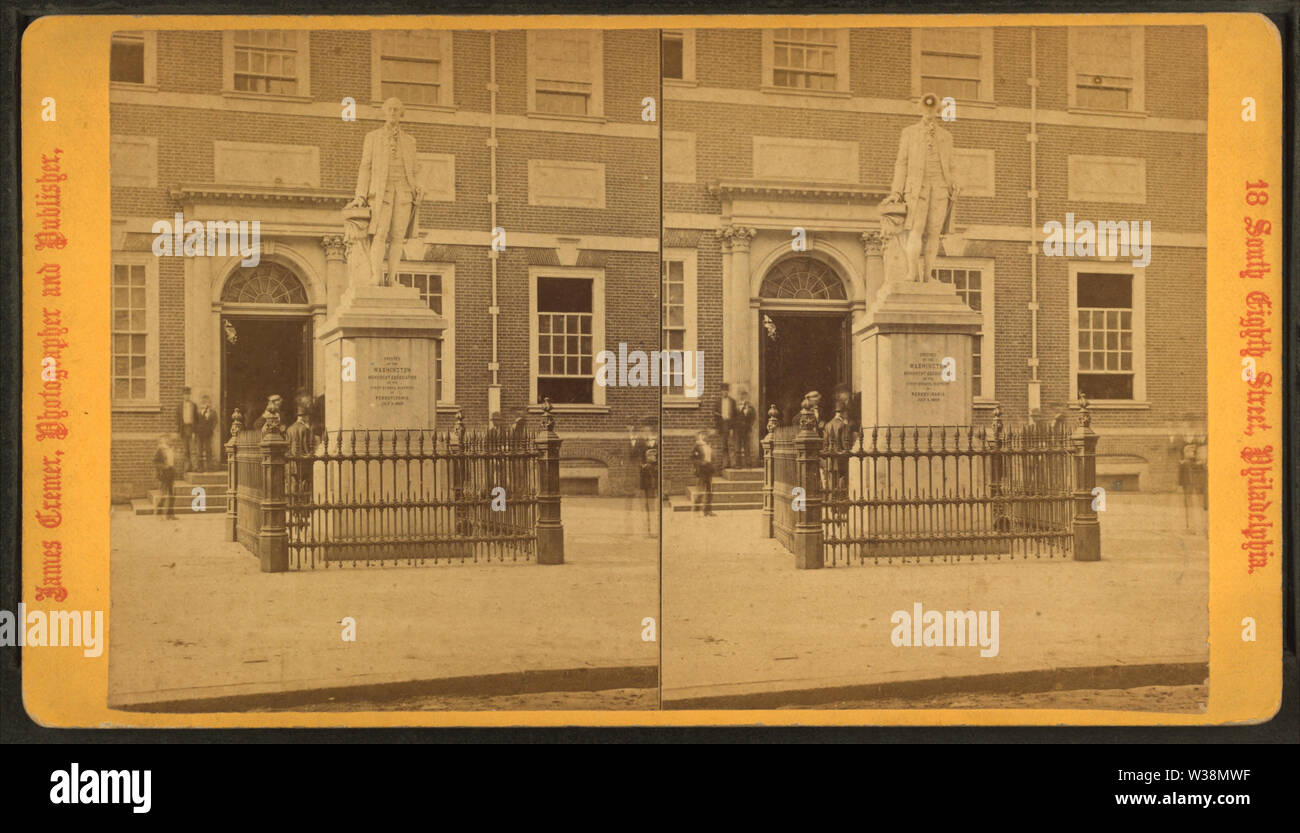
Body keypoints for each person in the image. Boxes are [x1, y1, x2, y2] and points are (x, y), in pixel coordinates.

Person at [347, 97, 422, 287]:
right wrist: (360, 195)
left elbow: (414, 170)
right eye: (389, 109)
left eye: (396, 109)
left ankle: (392, 278)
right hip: (381, 194)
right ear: (384, 111)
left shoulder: (410, 141)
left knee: (398, 237)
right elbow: (365, 167)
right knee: (379, 235)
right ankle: (376, 276)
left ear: (401, 113)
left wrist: (418, 186)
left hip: (404, 193)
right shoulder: (372, 137)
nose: (393, 112)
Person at [886, 93, 959, 283]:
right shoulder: (909, 133)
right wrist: (896, 191)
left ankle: (927, 275)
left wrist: (955, 183)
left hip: (940, 188)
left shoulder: (946, 137)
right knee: (916, 230)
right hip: (917, 188)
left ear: (937, 111)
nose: (929, 112)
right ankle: (912, 273)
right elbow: (901, 163)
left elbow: (951, 165)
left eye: (932, 109)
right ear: (920, 109)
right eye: (926, 109)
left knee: (934, 233)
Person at [630, 419, 660, 536]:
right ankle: (648, 529)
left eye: (649, 428)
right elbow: (633, 455)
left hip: (656, 475)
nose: (646, 431)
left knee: (654, 503)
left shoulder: (659, 441)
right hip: (646, 475)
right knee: (647, 503)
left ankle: (654, 529)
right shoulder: (641, 442)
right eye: (645, 428)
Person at [691, 430, 717, 516]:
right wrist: (701, 463)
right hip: (702, 469)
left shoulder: (708, 445)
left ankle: (707, 510)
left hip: (709, 469)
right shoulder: (697, 446)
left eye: (706, 435)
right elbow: (692, 458)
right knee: (700, 489)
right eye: (703, 435)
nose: (705, 436)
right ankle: (696, 510)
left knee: (709, 490)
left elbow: (711, 457)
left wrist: (712, 464)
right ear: (700, 436)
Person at [152, 435, 178, 521]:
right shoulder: (160, 450)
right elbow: (155, 462)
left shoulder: (171, 449)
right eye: (167, 439)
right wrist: (164, 467)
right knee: (163, 494)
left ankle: (170, 514)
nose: (169, 441)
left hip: (171, 472)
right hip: (164, 473)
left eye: (169, 439)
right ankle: (158, 513)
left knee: (172, 494)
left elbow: (173, 461)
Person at [175, 386, 198, 473]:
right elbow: (177, 419)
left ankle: (195, 467)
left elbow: (196, 420)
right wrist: (178, 431)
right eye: (185, 394)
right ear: (182, 395)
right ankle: (187, 468)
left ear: (190, 395)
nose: (186, 396)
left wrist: (194, 431)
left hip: (191, 428)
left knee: (193, 449)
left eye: (188, 394)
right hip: (183, 429)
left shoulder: (193, 405)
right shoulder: (179, 406)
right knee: (185, 450)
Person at [732, 388, 756, 467]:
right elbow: (733, 417)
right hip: (737, 430)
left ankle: (748, 463)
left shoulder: (750, 407)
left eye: (744, 395)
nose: (742, 397)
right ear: (739, 396)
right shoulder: (735, 407)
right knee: (737, 447)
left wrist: (749, 425)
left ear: (746, 396)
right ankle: (737, 464)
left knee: (747, 447)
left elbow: (753, 417)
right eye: (741, 395)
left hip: (746, 429)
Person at [715, 383, 736, 471]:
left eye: (726, 391)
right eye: (723, 391)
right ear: (721, 392)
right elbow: (715, 416)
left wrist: (732, 428)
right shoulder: (718, 402)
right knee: (724, 446)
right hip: (722, 425)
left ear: (728, 391)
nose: (725, 393)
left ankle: (733, 463)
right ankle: (725, 464)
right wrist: (717, 427)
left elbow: (735, 416)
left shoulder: (732, 402)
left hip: (730, 425)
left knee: (731, 445)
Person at [195, 394, 217, 471]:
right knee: (199, 450)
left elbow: (215, 422)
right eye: (204, 402)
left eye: (207, 402)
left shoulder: (213, 413)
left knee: (209, 450)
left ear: (209, 403)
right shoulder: (198, 412)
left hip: (208, 434)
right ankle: (200, 467)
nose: (205, 404)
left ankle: (209, 467)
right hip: (200, 434)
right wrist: (197, 430)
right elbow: (196, 422)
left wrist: (211, 429)